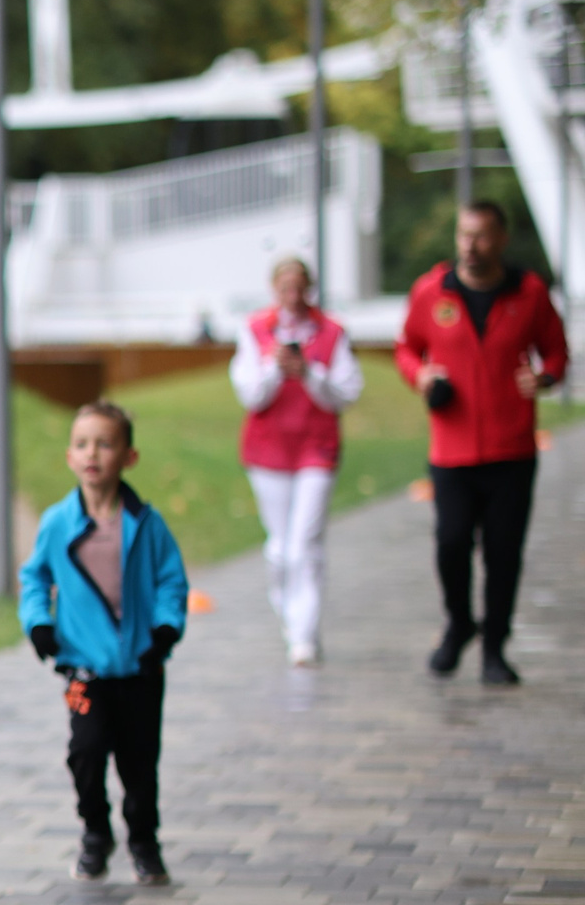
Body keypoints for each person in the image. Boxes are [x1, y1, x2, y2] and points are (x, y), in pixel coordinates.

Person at [396, 201, 569, 685]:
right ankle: (458, 624)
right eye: (463, 236)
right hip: (451, 449)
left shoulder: (530, 293)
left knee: (503, 552)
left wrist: (546, 376)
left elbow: (556, 349)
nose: (470, 247)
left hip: (512, 448)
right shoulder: (432, 292)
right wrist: (422, 375)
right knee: (451, 542)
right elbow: (407, 347)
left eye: (481, 237)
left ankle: (495, 646)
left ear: (501, 239)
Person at [20, 402, 189, 887]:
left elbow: (172, 583)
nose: (92, 452)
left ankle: (143, 841)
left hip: (141, 671)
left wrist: (164, 631)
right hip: (81, 673)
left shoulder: (147, 525)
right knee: (85, 753)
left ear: (129, 456)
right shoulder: (57, 523)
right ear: (70, 456)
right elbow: (34, 578)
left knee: (139, 764)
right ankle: (95, 832)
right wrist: (39, 624)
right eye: (81, 443)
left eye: (105, 443)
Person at [230, 257, 362, 666]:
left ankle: (304, 633)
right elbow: (251, 394)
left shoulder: (332, 332)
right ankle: (290, 614)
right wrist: (274, 366)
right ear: (274, 288)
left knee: (306, 541)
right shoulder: (254, 330)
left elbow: (347, 391)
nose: (293, 293)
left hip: (315, 447)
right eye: (285, 285)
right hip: (268, 450)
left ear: (310, 288)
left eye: (300, 285)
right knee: (281, 547)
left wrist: (309, 373)